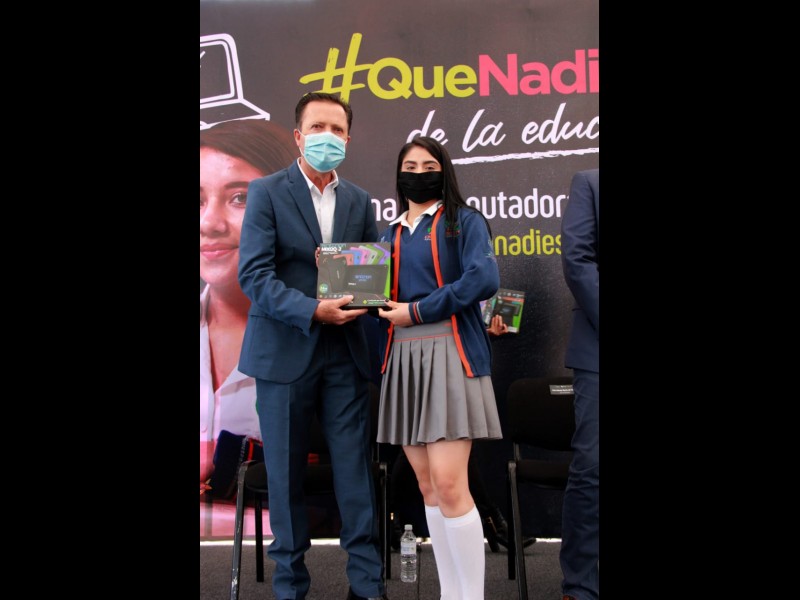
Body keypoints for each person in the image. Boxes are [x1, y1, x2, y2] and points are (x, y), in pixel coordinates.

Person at [237, 92, 388, 600]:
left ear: (349, 138)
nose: (328, 137)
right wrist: (311, 310)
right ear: (299, 136)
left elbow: (369, 273)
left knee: (355, 473)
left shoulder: (359, 201)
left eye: (337, 129)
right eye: (318, 127)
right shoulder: (266, 192)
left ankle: (366, 586)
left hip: (345, 351)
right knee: (284, 477)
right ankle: (290, 586)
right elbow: (254, 275)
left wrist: (372, 297)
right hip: (284, 352)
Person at [376, 136, 502, 600]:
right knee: (428, 486)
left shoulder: (464, 221)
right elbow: (372, 296)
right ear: (398, 175)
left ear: (443, 170)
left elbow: (484, 278)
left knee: (450, 484)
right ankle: (452, 593)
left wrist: (417, 310)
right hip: (402, 358)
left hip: (450, 351)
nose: (418, 173)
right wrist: (336, 276)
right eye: (409, 166)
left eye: (428, 165)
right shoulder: (387, 234)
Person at [200, 119, 297, 537]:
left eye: (240, 198)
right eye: (198, 199)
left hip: (284, 550)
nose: (210, 223)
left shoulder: (310, 336)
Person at [559, 168, 599, 600]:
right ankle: (581, 586)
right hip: (597, 351)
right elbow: (578, 260)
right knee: (593, 467)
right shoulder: (590, 182)